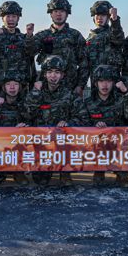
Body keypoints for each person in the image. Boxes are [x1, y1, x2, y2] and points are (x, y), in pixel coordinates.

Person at [75, 65, 128, 186]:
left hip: (118, 141)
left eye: (108, 81)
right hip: (96, 142)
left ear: (114, 83)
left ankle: (122, 173)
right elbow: (82, 122)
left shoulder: (121, 99)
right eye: (101, 81)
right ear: (95, 83)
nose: (105, 85)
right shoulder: (88, 102)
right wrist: (94, 124)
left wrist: (125, 92)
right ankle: (99, 170)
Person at [24, 55, 81, 186]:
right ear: (44, 74)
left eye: (57, 72)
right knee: (40, 181)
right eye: (49, 72)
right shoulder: (36, 92)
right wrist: (35, 93)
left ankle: (65, 172)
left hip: (63, 144)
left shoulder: (69, 94)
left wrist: (69, 124)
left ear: (62, 75)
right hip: (41, 144)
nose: (53, 76)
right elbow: (27, 114)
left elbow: (82, 118)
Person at [32, 0, 88, 94]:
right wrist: (29, 36)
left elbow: (84, 63)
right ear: (50, 14)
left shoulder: (75, 35)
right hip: (47, 87)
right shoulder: (42, 35)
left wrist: (80, 86)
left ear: (67, 14)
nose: (58, 14)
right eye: (55, 11)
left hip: (69, 86)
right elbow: (30, 52)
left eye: (62, 11)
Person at [0, 70, 31, 186]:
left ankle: (18, 171)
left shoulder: (25, 104)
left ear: (20, 87)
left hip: (19, 148)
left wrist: (24, 128)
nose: (12, 87)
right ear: (3, 87)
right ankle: (4, 169)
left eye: (16, 84)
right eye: (8, 84)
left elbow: (33, 126)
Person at [0, 0, 35, 95]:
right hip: (0, 87)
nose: (11, 19)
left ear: (18, 18)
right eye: (8, 16)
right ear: (2, 18)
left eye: (14, 16)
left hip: (20, 87)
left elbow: (32, 53)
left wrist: (29, 36)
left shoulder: (24, 38)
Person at [85, 1, 125, 83]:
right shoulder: (90, 38)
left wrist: (115, 21)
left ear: (108, 17)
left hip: (113, 80)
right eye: (97, 15)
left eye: (103, 15)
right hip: (96, 81)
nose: (100, 18)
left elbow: (118, 38)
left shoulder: (112, 33)